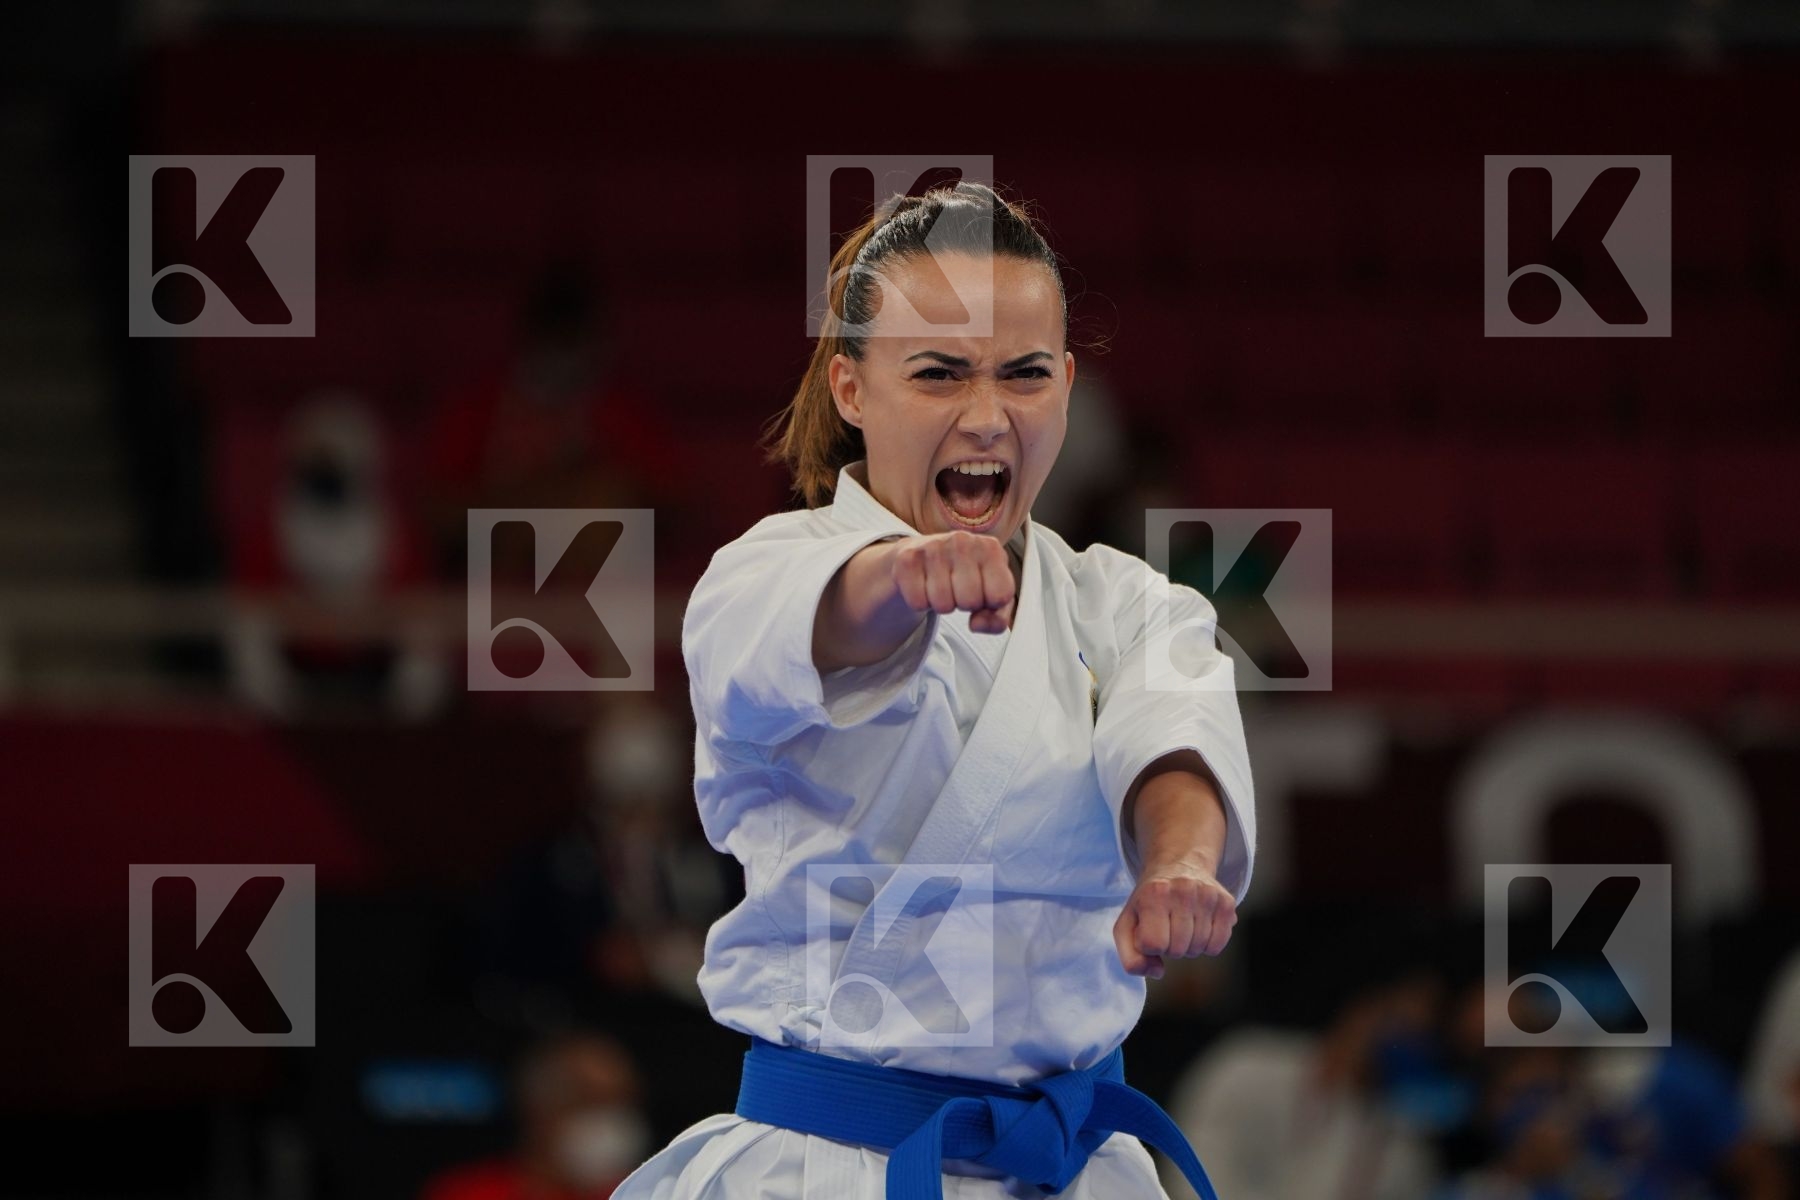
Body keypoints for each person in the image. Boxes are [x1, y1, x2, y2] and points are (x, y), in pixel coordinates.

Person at [610, 181, 1257, 1199]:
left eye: (1025, 375)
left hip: (1075, 1172)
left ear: (1068, 386)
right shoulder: (764, 574)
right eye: (939, 374)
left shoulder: (1127, 601)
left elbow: (1172, 739)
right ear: (851, 388)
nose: (987, 416)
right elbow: (828, 623)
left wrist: (1177, 865)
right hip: (829, 1166)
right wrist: (903, 579)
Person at [422, 1032, 651, 1200]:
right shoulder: (469, 1194)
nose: (610, 1121)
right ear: (538, 1107)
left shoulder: (647, 1193)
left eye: (622, 1104)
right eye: (590, 1103)